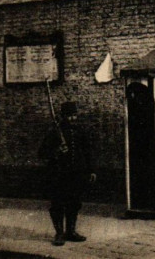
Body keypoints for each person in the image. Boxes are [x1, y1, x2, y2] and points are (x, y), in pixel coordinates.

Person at [38, 101, 96, 246]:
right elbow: (42, 153)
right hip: (58, 174)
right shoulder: (54, 132)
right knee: (58, 203)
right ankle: (59, 234)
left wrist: (91, 170)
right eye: (69, 116)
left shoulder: (80, 131)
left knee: (74, 203)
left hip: (76, 174)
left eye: (74, 116)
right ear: (63, 116)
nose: (72, 119)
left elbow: (88, 151)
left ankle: (71, 231)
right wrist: (57, 151)